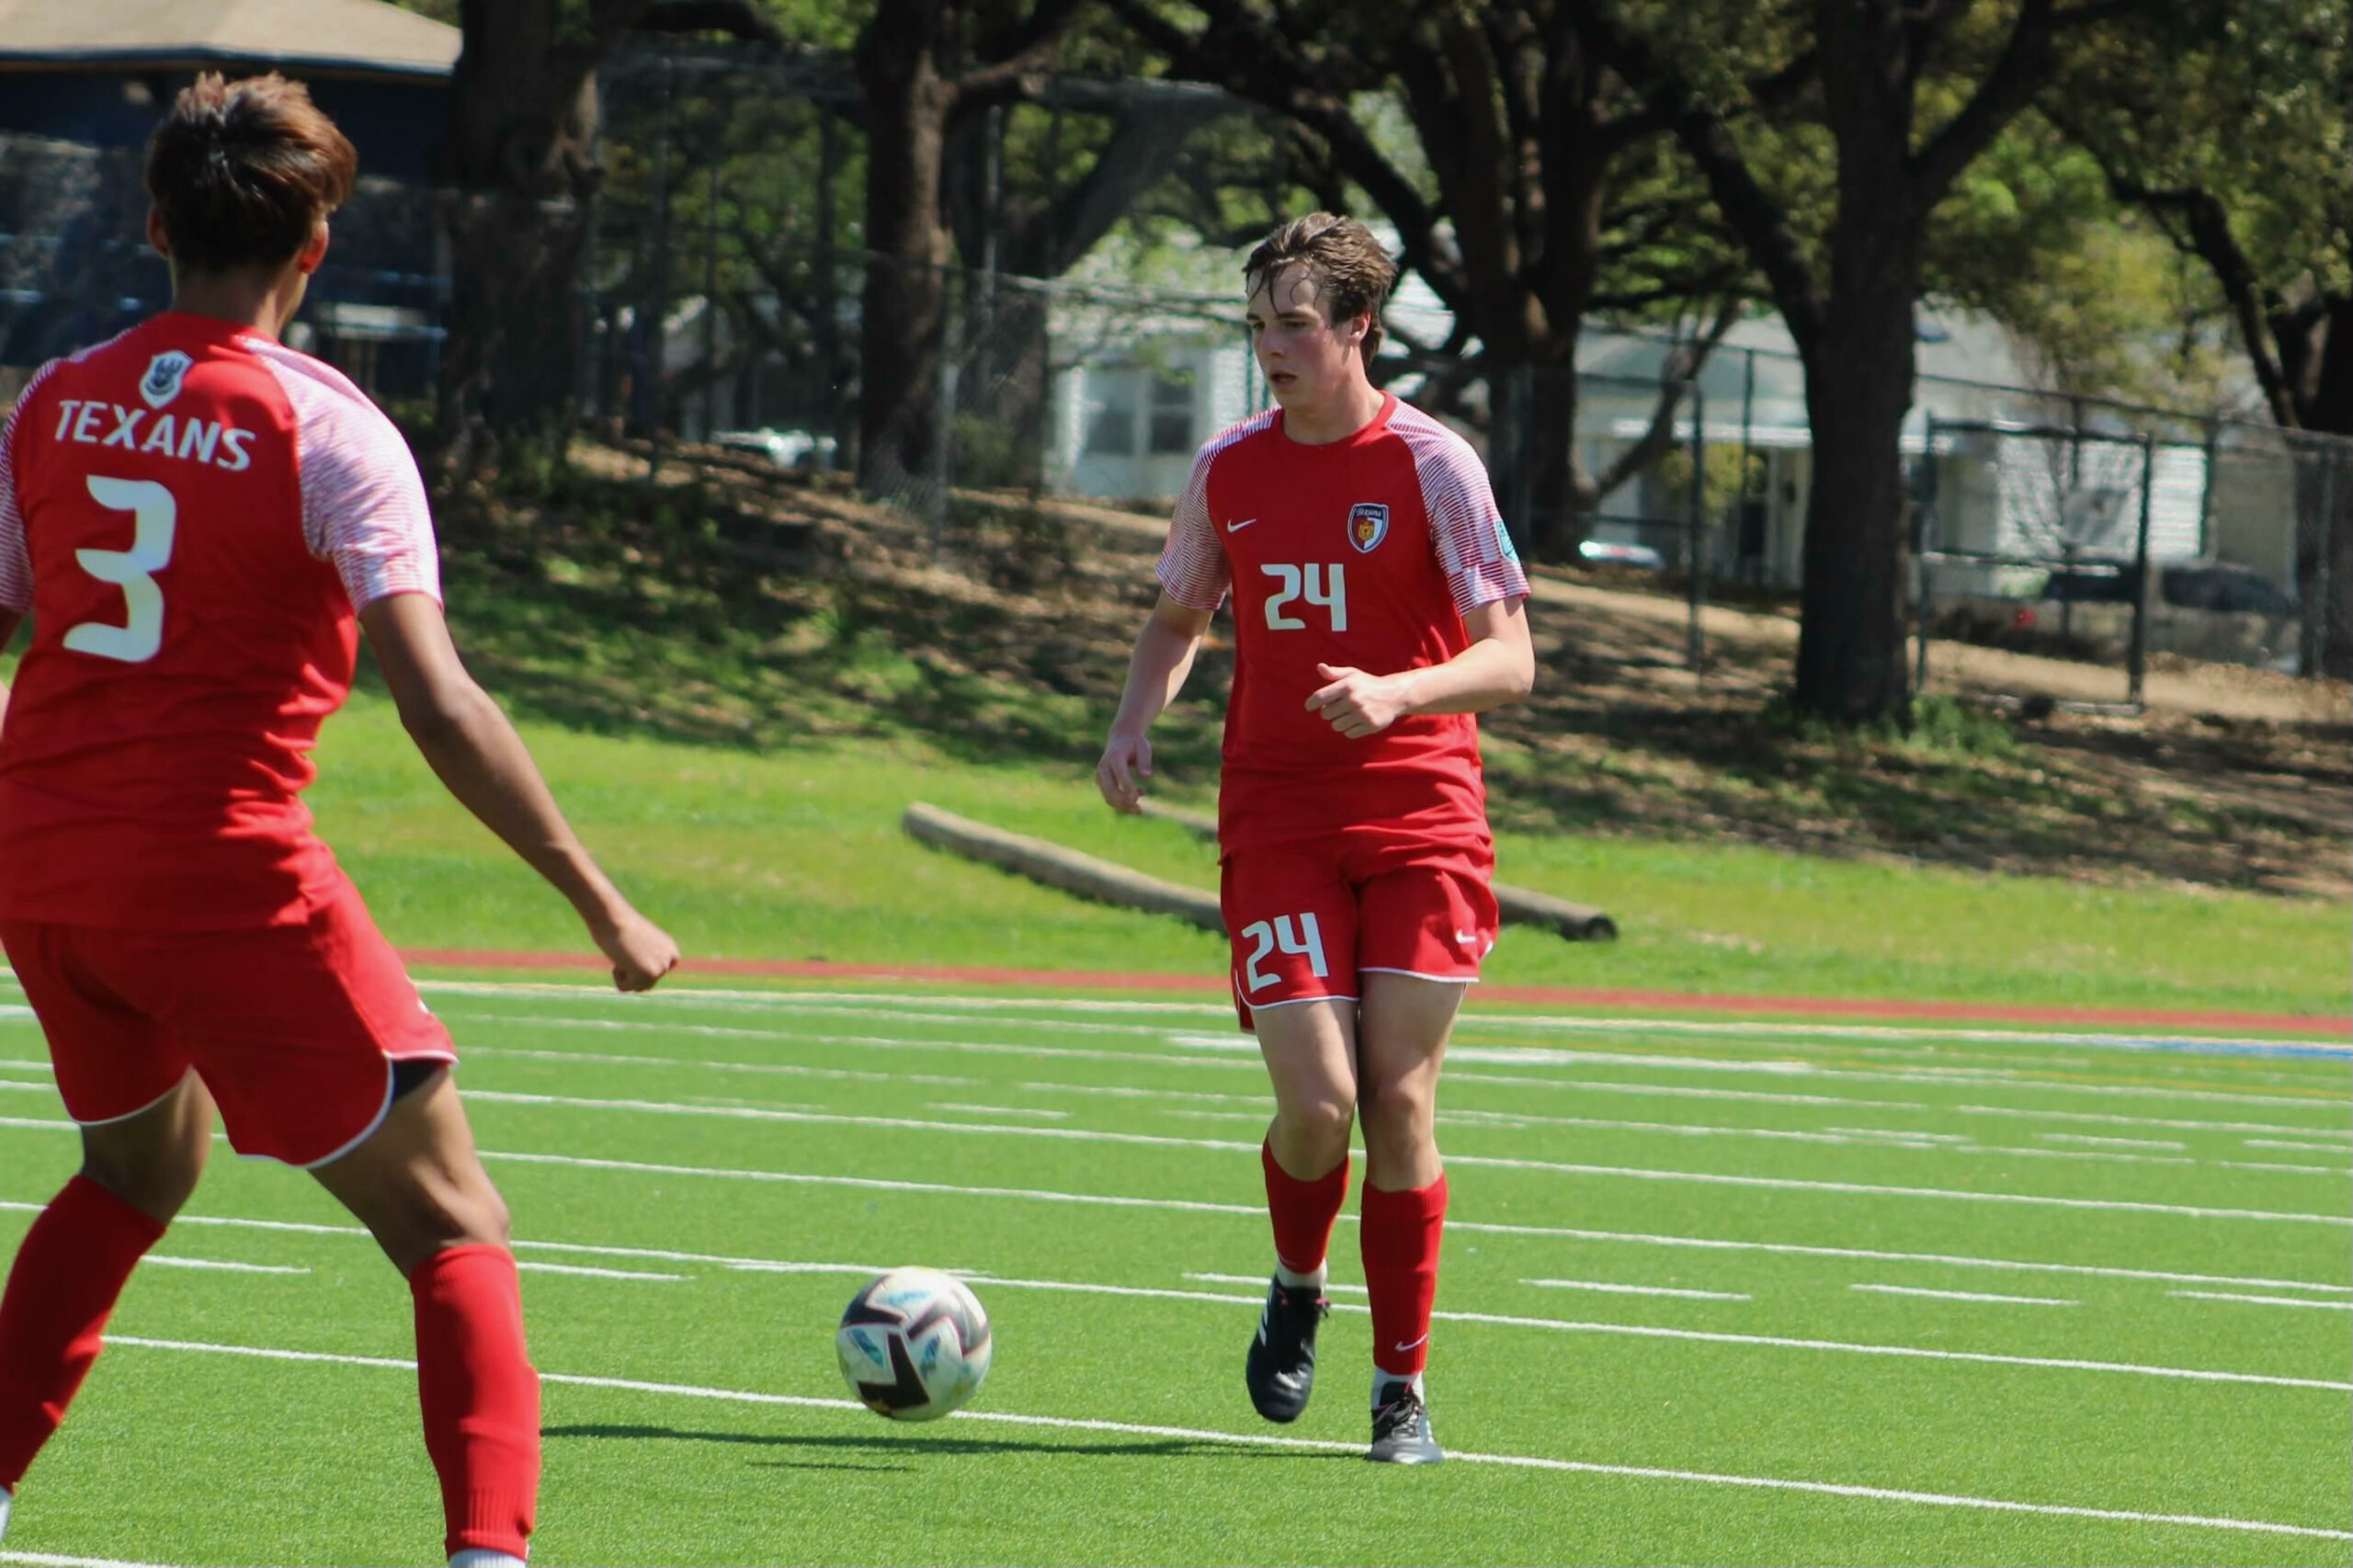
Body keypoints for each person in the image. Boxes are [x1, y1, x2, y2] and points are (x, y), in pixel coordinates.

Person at [0, 74, 679, 1562]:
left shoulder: (51, 400)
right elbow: (437, 701)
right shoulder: (334, 431)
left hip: (47, 874)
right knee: (453, 1222)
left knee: (135, 1171)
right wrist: (598, 896)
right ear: (316, 247)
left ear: (153, 221)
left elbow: (14, 616)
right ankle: (488, 1554)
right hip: (225, 878)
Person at [1097, 213, 1534, 1463]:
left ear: (1358, 329)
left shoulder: (1435, 465)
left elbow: (1512, 657)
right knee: (1320, 1103)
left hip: (1420, 815)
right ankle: (1298, 1279)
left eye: (1294, 324)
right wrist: (1133, 724)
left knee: (1398, 1099)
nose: (1271, 348)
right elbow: (1178, 615)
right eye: (1257, 326)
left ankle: (1401, 1391)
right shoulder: (1231, 468)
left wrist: (1399, 692)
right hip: (1278, 818)